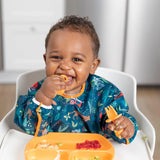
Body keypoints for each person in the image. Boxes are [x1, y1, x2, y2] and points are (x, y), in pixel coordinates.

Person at [14, 15, 138, 144]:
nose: (65, 66)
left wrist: (123, 126)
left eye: (76, 59)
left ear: (93, 66)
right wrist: (43, 97)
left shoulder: (105, 93)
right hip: (53, 151)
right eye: (56, 57)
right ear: (46, 60)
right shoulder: (39, 90)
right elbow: (30, 129)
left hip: (92, 152)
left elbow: (117, 124)